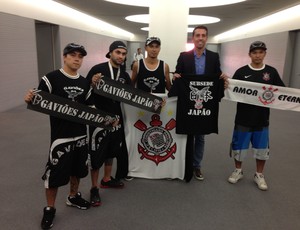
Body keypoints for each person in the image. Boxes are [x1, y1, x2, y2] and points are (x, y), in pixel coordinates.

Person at [24, 43, 92, 229]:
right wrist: (30, 97)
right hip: (60, 136)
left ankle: (73, 196)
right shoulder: (51, 78)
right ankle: (49, 209)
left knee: (78, 170)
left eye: (80, 56)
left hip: (80, 135)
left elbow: (90, 108)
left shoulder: (85, 82)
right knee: (54, 174)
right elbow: (38, 100)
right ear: (65, 57)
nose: (77, 58)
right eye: (73, 55)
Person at [227, 41, 285, 191]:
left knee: (261, 149)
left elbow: (282, 91)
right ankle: (238, 170)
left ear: (265, 53)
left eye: (260, 52)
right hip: (243, 117)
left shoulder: (271, 72)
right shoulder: (241, 72)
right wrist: (226, 85)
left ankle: (259, 174)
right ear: (250, 54)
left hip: (262, 118)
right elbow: (231, 90)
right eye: (254, 52)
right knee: (239, 147)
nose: (257, 55)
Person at [172, 25, 227, 182]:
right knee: (186, 134)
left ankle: (197, 165)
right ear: (193, 38)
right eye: (197, 35)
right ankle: (185, 164)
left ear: (206, 38)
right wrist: (176, 77)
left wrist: (222, 78)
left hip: (205, 101)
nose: (200, 38)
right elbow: (178, 74)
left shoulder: (213, 57)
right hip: (188, 101)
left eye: (203, 35)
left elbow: (217, 75)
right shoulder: (184, 56)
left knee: (201, 136)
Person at [86, 41, 131, 206]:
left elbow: (133, 96)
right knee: (97, 153)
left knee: (112, 150)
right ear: (110, 53)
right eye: (118, 52)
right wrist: (92, 82)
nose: (120, 56)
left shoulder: (124, 75)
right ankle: (94, 188)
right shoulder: (98, 69)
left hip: (116, 119)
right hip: (99, 118)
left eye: (123, 54)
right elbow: (85, 91)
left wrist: (153, 102)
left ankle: (106, 179)